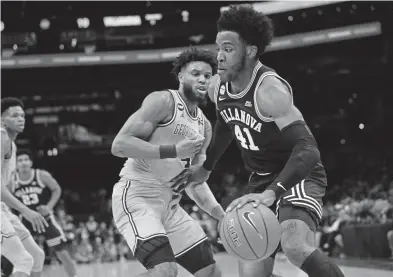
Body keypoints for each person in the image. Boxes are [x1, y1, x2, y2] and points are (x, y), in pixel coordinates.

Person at [184, 5, 346, 277]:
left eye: (228, 49)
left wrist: (273, 192)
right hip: (259, 179)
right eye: (218, 48)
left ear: (250, 51)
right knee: (251, 271)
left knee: (294, 246)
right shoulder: (217, 87)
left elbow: (308, 149)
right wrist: (206, 167)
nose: (218, 57)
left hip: (295, 176)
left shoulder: (269, 91)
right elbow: (226, 122)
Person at [110, 48, 224, 277]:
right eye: (196, 73)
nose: (203, 78)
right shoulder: (163, 101)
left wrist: (221, 215)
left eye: (208, 75)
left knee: (210, 272)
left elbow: (194, 182)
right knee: (165, 272)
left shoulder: (204, 126)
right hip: (138, 197)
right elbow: (119, 145)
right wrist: (172, 150)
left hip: (170, 207)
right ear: (181, 76)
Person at [11, 150, 78, 277]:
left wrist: (49, 206)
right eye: (20, 160)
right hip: (25, 221)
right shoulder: (12, 180)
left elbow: (56, 189)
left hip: (45, 219)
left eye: (26, 159)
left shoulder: (41, 175)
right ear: (15, 163)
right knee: (24, 255)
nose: (23, 162)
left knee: (62, 252)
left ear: (31, 162)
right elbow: (7, 199)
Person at [1, 97, 48, 277]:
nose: (21, 119)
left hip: (2, 207)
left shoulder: (11, 144)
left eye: (22, 115)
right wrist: (27, 211)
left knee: (37, 255)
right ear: (2, 119)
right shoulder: (2, 137)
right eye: (14, 116)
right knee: (24, 260)